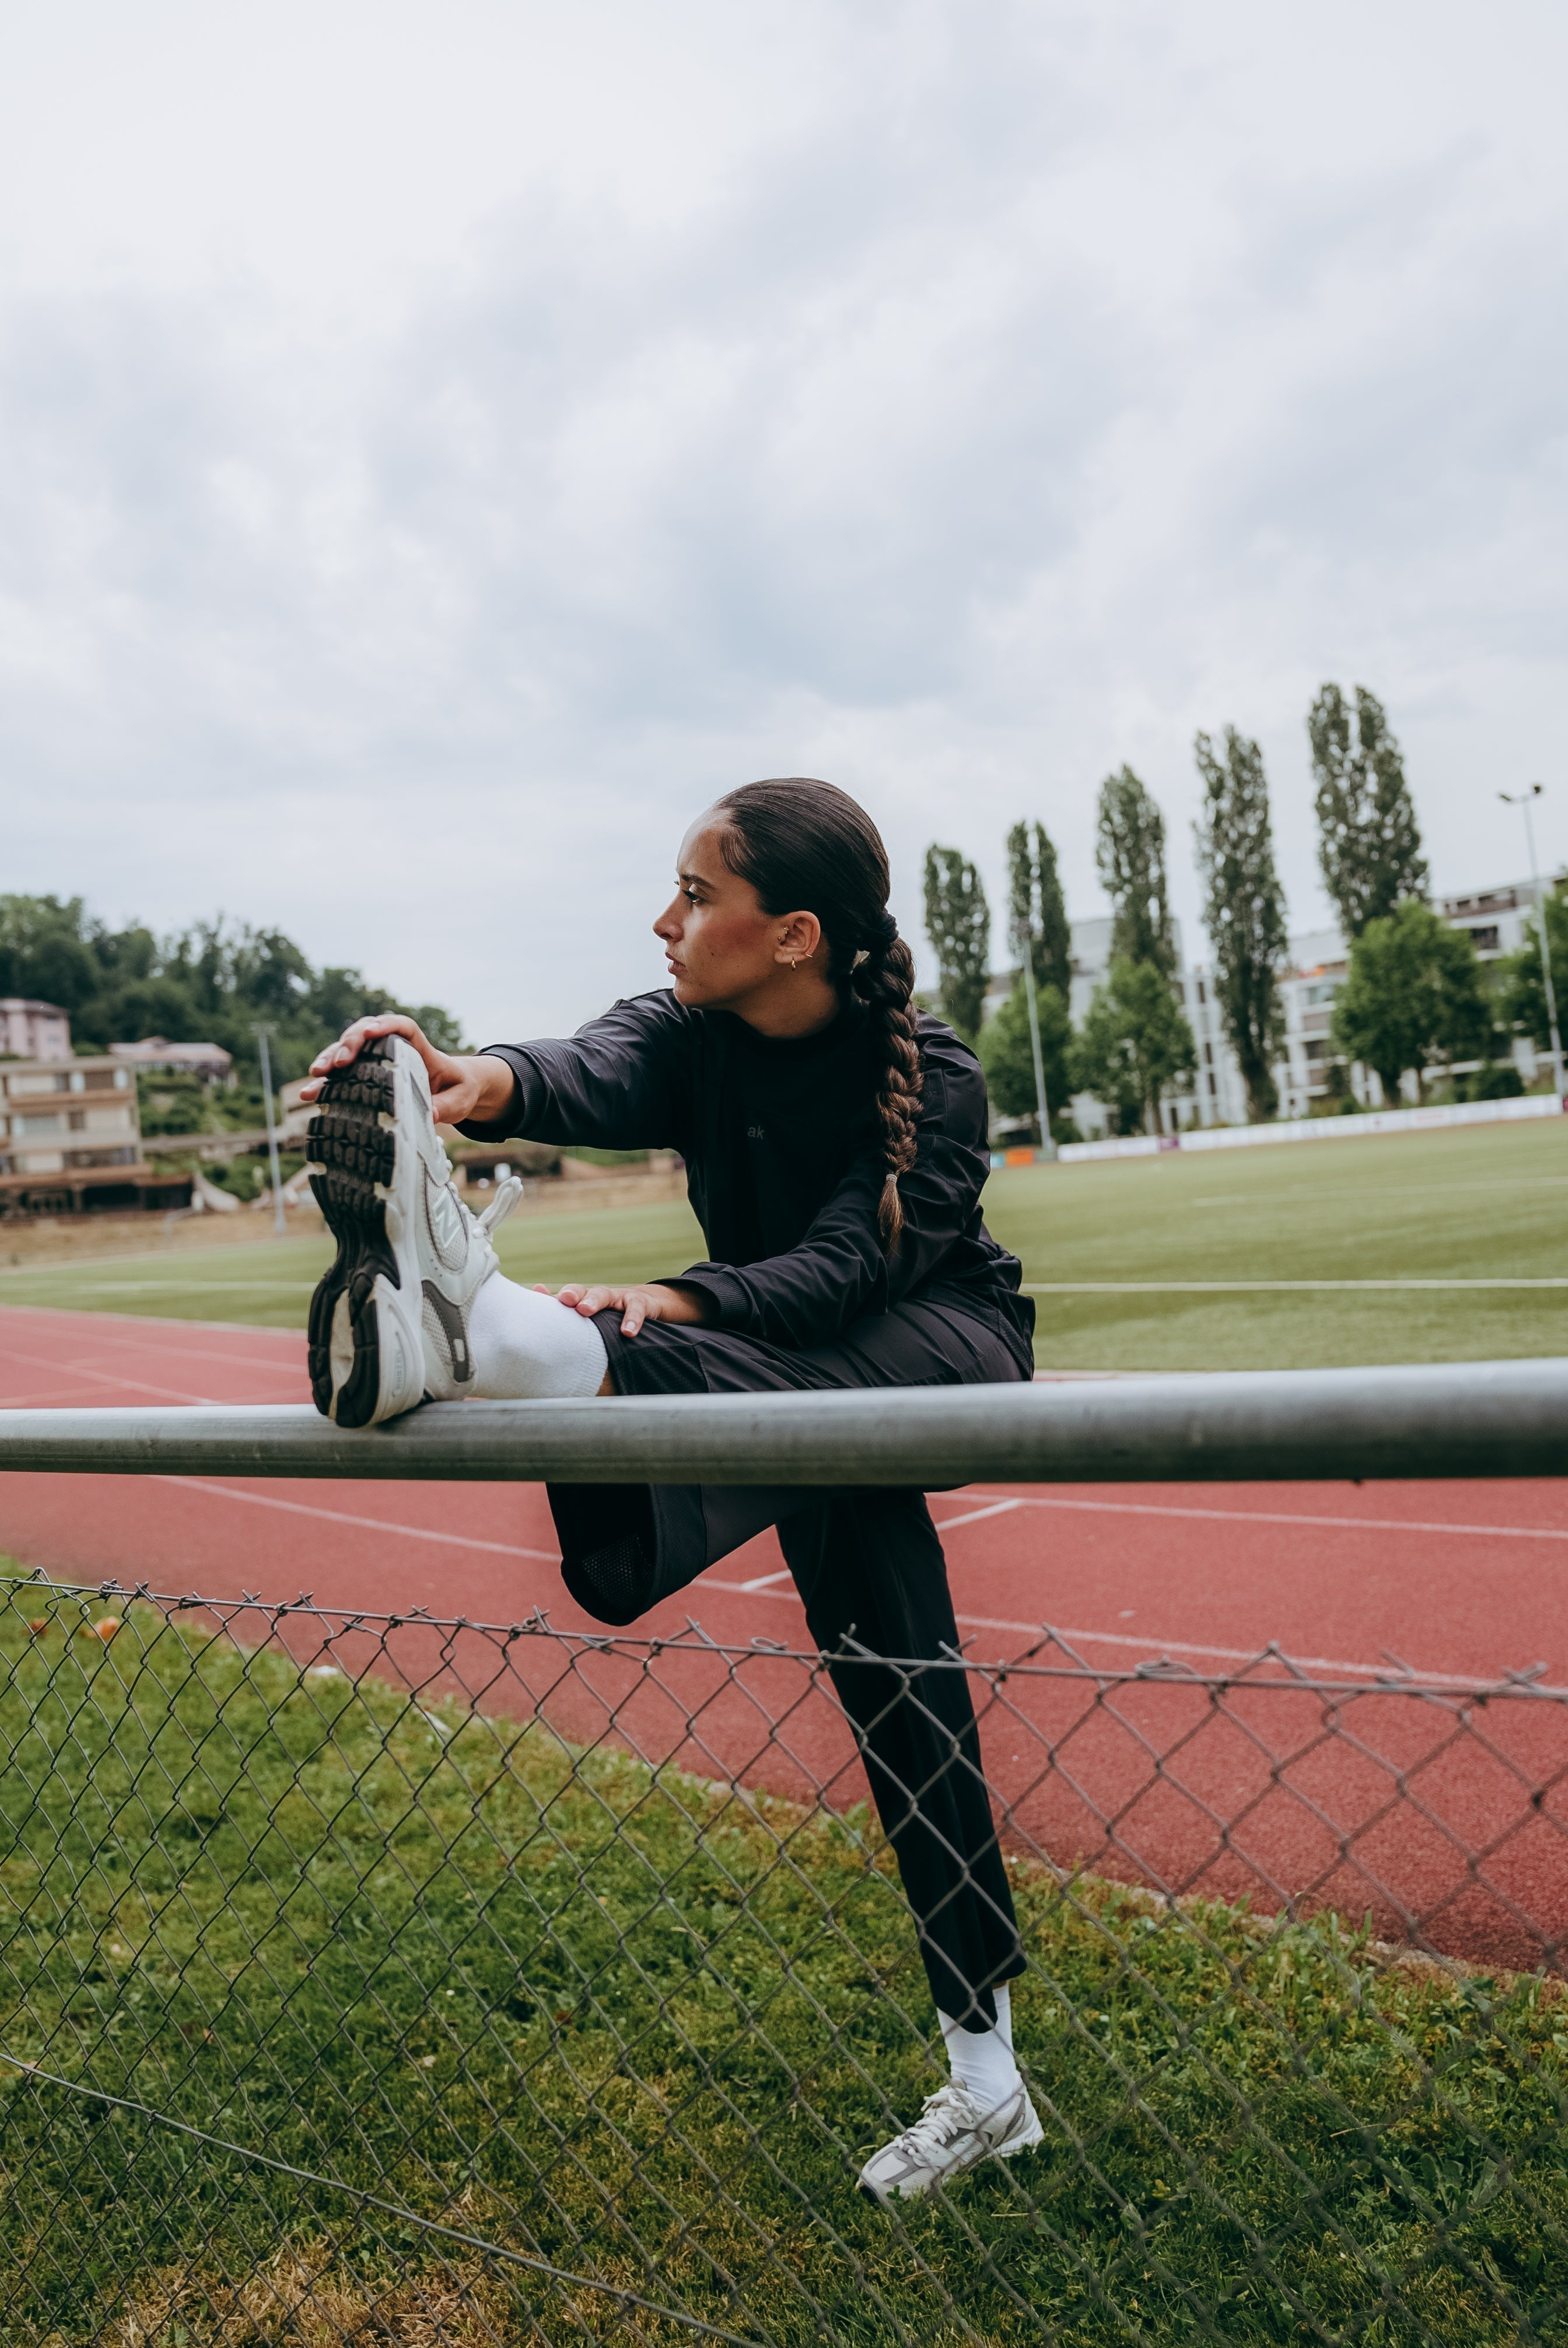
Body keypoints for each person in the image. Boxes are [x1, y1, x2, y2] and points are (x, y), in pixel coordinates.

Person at [298, 776, 1041, 2203]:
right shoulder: (692, 1032)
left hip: (935, 1345)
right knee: (900, 1684)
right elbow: (582, 1068)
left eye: (697, 896)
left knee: (645, 1355)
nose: (666, 919)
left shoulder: (933, 1074)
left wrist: (673, 1303)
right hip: (775, 1384)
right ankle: (989, 2084)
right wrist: (460, 1078)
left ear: (793, 935)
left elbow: (845, 1273)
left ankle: (514, 1341)